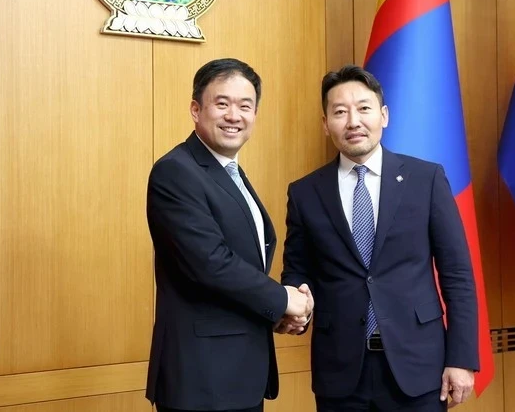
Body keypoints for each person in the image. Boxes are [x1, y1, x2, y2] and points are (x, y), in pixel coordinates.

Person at [278, 64, 479, 411]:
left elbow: (457, 274)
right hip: (340, 371)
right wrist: (296, 308)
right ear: (326, 124)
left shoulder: (426, 179)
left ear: (383, 115)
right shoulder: (305, 193)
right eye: (340, 112)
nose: (353, 121)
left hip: (418, 366)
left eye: (364, 108)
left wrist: (461, 359)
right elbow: (297, 271)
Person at [145, 58, 312, 412]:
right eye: (222, 103)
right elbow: (209, 263)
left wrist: (277, 312)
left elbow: (241, 265)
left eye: (245, 106)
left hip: (237, 374)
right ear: (196, 109)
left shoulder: (228, 171)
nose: (234, 115)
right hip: (202, 379)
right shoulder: (176, 172)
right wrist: (282, 299)